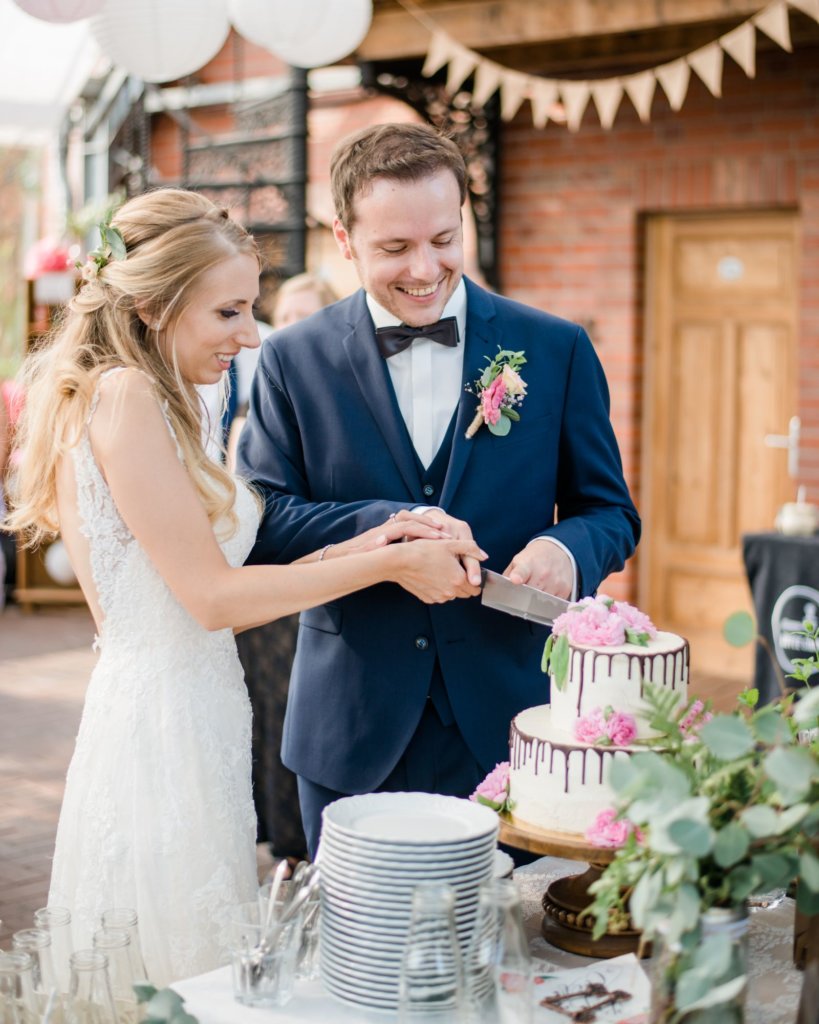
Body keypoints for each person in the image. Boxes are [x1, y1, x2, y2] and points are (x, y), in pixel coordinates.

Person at [4, 187, 485, 986]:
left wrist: (372, 538)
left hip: (195, 707)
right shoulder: (125, 397)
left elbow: (210, 581)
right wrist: (390, 564)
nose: (250, 335)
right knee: (178, 969)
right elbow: (212, 601)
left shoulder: (159, 398)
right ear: (157, 306)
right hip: (162, 722)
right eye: (228, 312)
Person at [237, 122, 641, 858]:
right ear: (344, 239)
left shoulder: (554, 349)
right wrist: (394, 525)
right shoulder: (291, 359)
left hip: (510, 728)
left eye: (443, 239)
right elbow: (265, 520)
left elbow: (609, 512)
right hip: (351, 730)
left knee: (510, 955)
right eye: (394, 248)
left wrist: (566, 545)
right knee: (361, 955)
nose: (425, 268)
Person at [232, 273, 340, 878]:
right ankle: (277, 832)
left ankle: (303, 835)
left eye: (308, 314)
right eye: (287, 315)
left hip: (313, 588)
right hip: (257, 585)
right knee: (266, 710)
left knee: (303, 710)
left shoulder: (338, 395)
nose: (291, 327)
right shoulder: (257, 399)